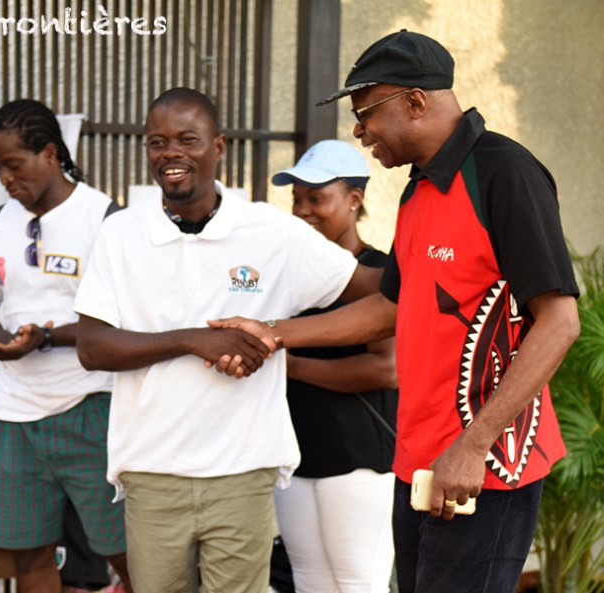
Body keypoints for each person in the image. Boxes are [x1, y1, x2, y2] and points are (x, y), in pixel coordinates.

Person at [210, 30, 580, 593]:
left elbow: (560, 321)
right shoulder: (418, 189)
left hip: (483, 468)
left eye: (365, 113)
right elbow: (391, 308)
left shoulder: (504, 172)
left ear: (416, 101)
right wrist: (272, 332)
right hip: (417, 462)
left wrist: (473, 445)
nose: (359, 132)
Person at [73, 87, 381, 593]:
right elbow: (92, 348)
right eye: (157, 142)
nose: (170, 153)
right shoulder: (121, 233)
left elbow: (375, 290)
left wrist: (275, 337)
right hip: (152, 472)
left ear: (218, 147)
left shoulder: (270, 231)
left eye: (187, 139)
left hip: (244, 471)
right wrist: (194, 340)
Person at [0, 99, 132, 593]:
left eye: (14, 164)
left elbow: (126, 317)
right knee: (29, 552)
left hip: (92, 405)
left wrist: (48, 337)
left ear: (50, 153)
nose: (5, 178)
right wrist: (4, 340)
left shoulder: (105, 219)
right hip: (13, 415)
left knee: (124, 549)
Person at [271, 139, 397, 593]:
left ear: (354, 199)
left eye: (316, 198)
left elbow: (387, 369)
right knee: (309, 583)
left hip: (359, 461)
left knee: (358, 584)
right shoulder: (290, 276)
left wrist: (291, 367)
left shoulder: (380, 273)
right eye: (296, 198)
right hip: (297, 455)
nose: (303, 210)